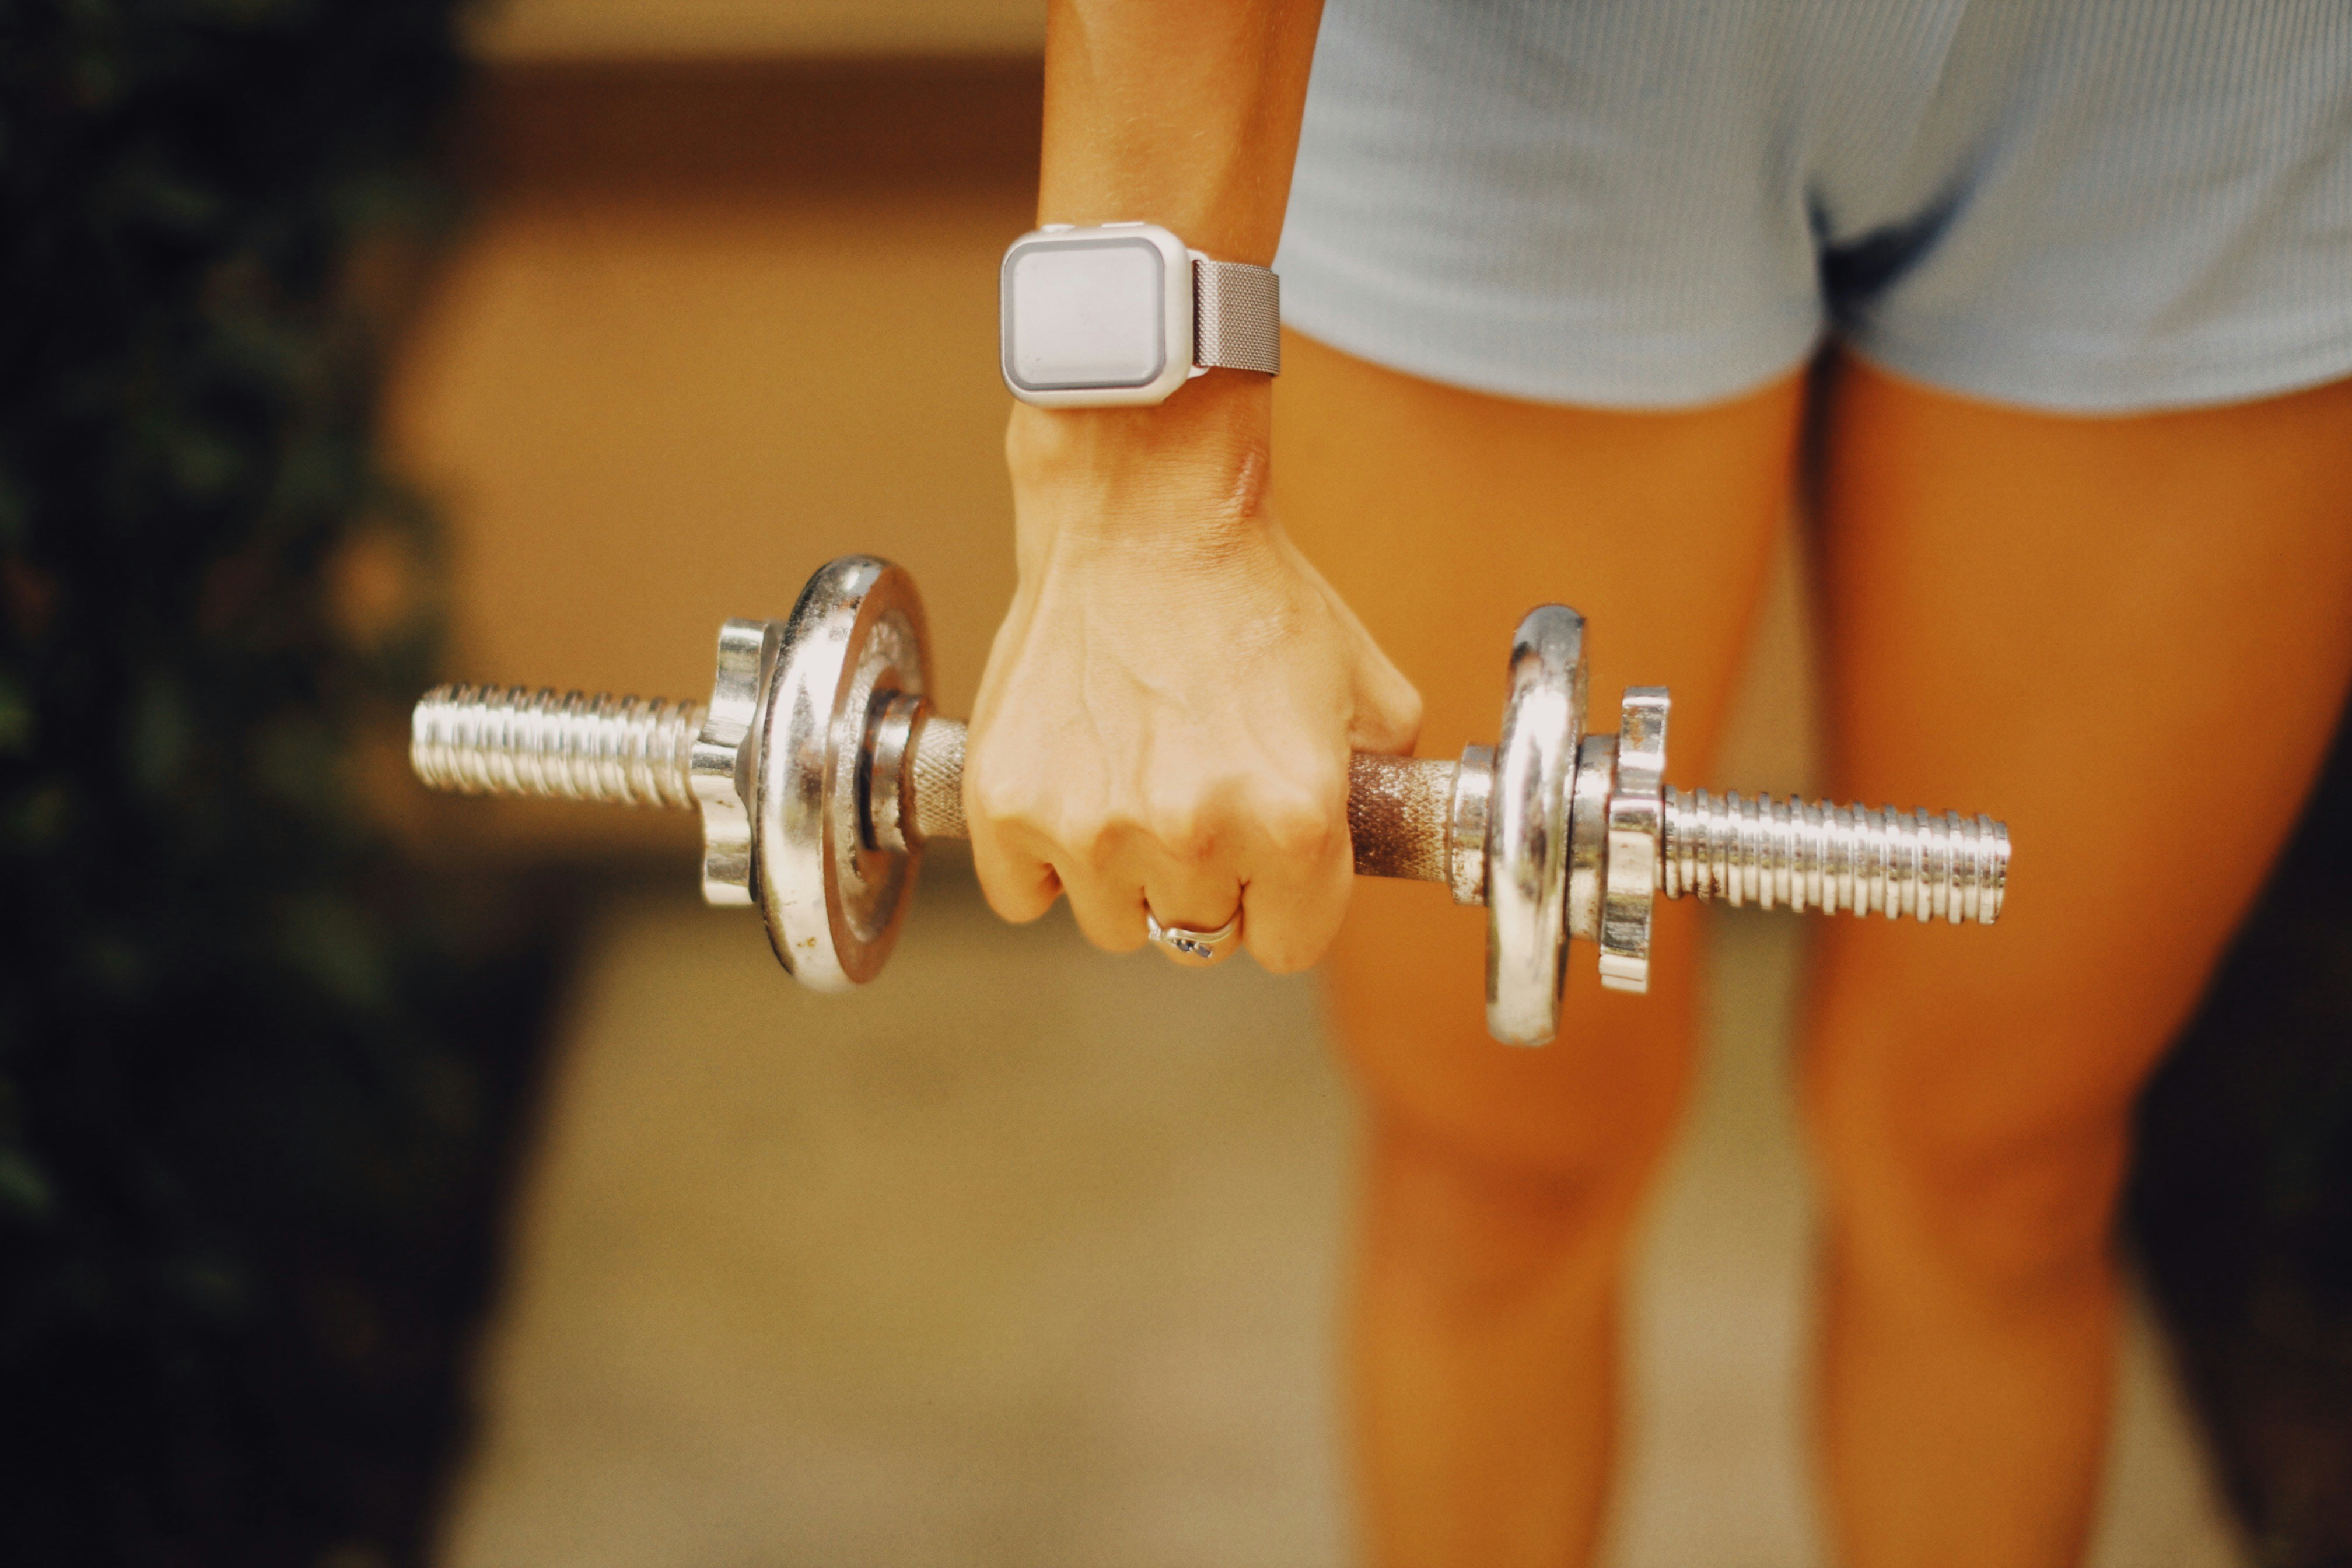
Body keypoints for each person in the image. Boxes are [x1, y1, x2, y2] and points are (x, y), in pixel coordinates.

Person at [962, 2, 2352, 1563]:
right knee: (1501, 1165)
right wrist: (1140, 457)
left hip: (2216, 69)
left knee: (2001, 1184)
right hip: (1543, 74)